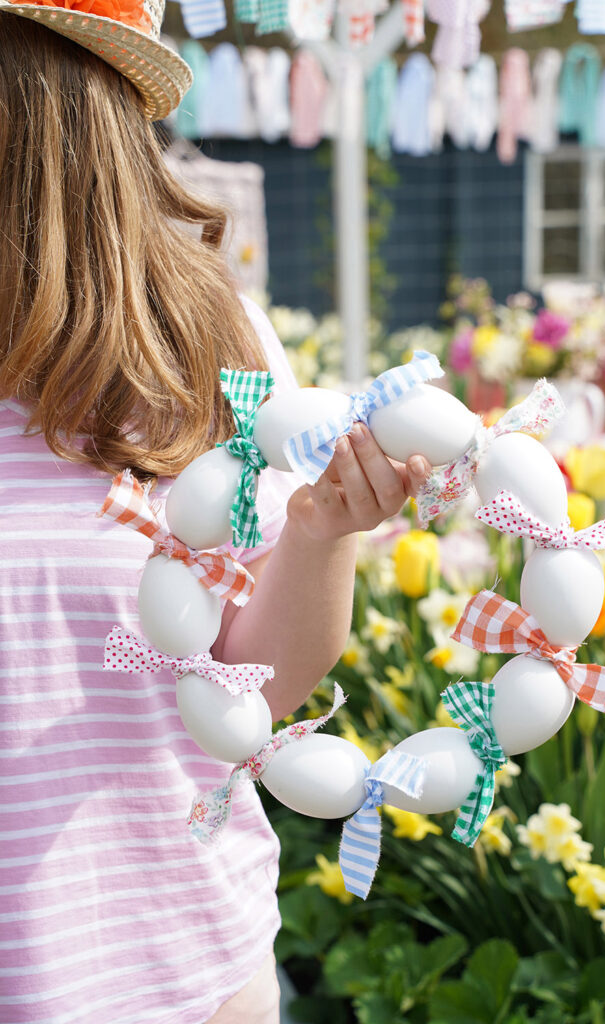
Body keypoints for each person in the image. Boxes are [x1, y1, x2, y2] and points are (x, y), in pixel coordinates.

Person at [0, 10, 432, 1024]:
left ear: (45, 125)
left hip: (177, 971)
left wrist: (323, 531)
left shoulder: (201, 348)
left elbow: (263, 675)